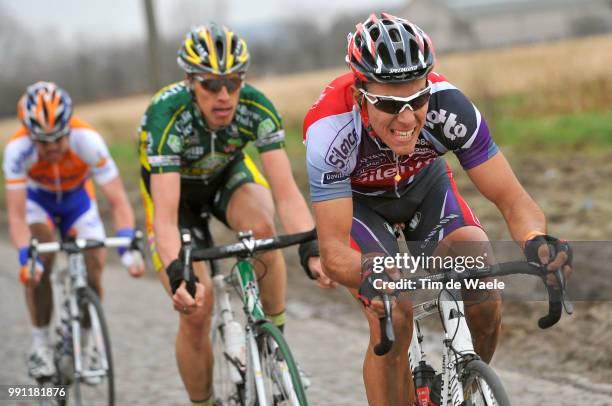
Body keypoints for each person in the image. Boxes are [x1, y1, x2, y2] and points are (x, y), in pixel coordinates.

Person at [303, 13, 574, 405]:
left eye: (418, 99)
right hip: (358, 205)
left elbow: (515, 201)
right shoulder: (330, 128)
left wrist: (536, 240)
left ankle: (465, 390)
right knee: (394, 316)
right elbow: (332, 252)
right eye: (391, 104)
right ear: (361, 93)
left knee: (481, 279)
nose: (408, 118)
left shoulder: (451, 107)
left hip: (424, 188)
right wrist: (367, 269)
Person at [138, 23, 331, 406]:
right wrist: (179, 271)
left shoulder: (256, 107)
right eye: (211, 84)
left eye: (233, 82)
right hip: (175, 199)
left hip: (226, 177)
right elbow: (163, 216)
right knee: (197, 308)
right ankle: (203, 402)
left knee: (262, 228)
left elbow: (286, 192)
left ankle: (275, 343)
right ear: (191, 82)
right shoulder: (165, 116)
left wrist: (311, 247)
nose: (224, 95)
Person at [3, 81, 145, 379]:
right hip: (38, 203)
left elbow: (119, 201)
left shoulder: (88, 140)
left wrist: (126, 246)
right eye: (43, 142)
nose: (52, 147)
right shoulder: (17, 150)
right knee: (40, 257)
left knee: (94, 260)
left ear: (69, 129)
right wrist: (25, 258)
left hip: (77, 201)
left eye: (58, 138)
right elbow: (16, 217)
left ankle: (88, 341)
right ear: (30, 136)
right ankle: (41, 345)